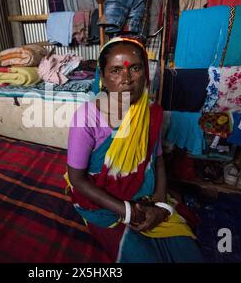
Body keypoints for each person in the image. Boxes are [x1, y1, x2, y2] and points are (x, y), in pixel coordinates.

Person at [65, 36, 204, 263]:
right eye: (116, 71)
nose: (126, 79)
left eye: (135, 69)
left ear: (146, 74)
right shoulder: (86, 118)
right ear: (103, 77)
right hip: (103, 204)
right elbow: (77, 179)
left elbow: (157, 161)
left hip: (145, 196)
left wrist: (160, 205)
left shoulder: (150, 113)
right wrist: (127, 210)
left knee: (189, 253)